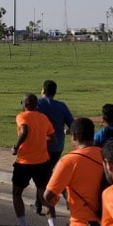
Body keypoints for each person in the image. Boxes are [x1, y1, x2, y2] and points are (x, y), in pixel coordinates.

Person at [11, 93, 57, 226]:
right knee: (45, 196)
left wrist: (16, 147)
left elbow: (24, 131)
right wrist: (39, 138)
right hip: (42, 162)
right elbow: (53, 138)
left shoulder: (21, 116)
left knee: (17, 194)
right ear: (36, 104)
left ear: (24, 104)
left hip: (24, 162)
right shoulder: (43, 118)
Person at [35, 79, 74, 214]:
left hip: (41, 145)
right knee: (45, 173)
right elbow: (73, 126)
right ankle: (38, 204)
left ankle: (62, 192)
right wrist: (64, 131)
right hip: (57, 146)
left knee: (43, 175)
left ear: (43, 91)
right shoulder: (61, 106)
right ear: (55, 92)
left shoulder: (37, 104)